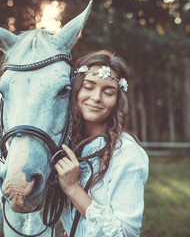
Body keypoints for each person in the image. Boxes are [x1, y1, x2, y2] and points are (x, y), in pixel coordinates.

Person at [55, 50, 149, 237]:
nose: (96, 97)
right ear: (76, 89)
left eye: (108, 92)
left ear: (117, 101)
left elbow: (125, 234)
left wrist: (73, 188)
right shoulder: (67, 145)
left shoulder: (126, 153)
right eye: (89, 87)